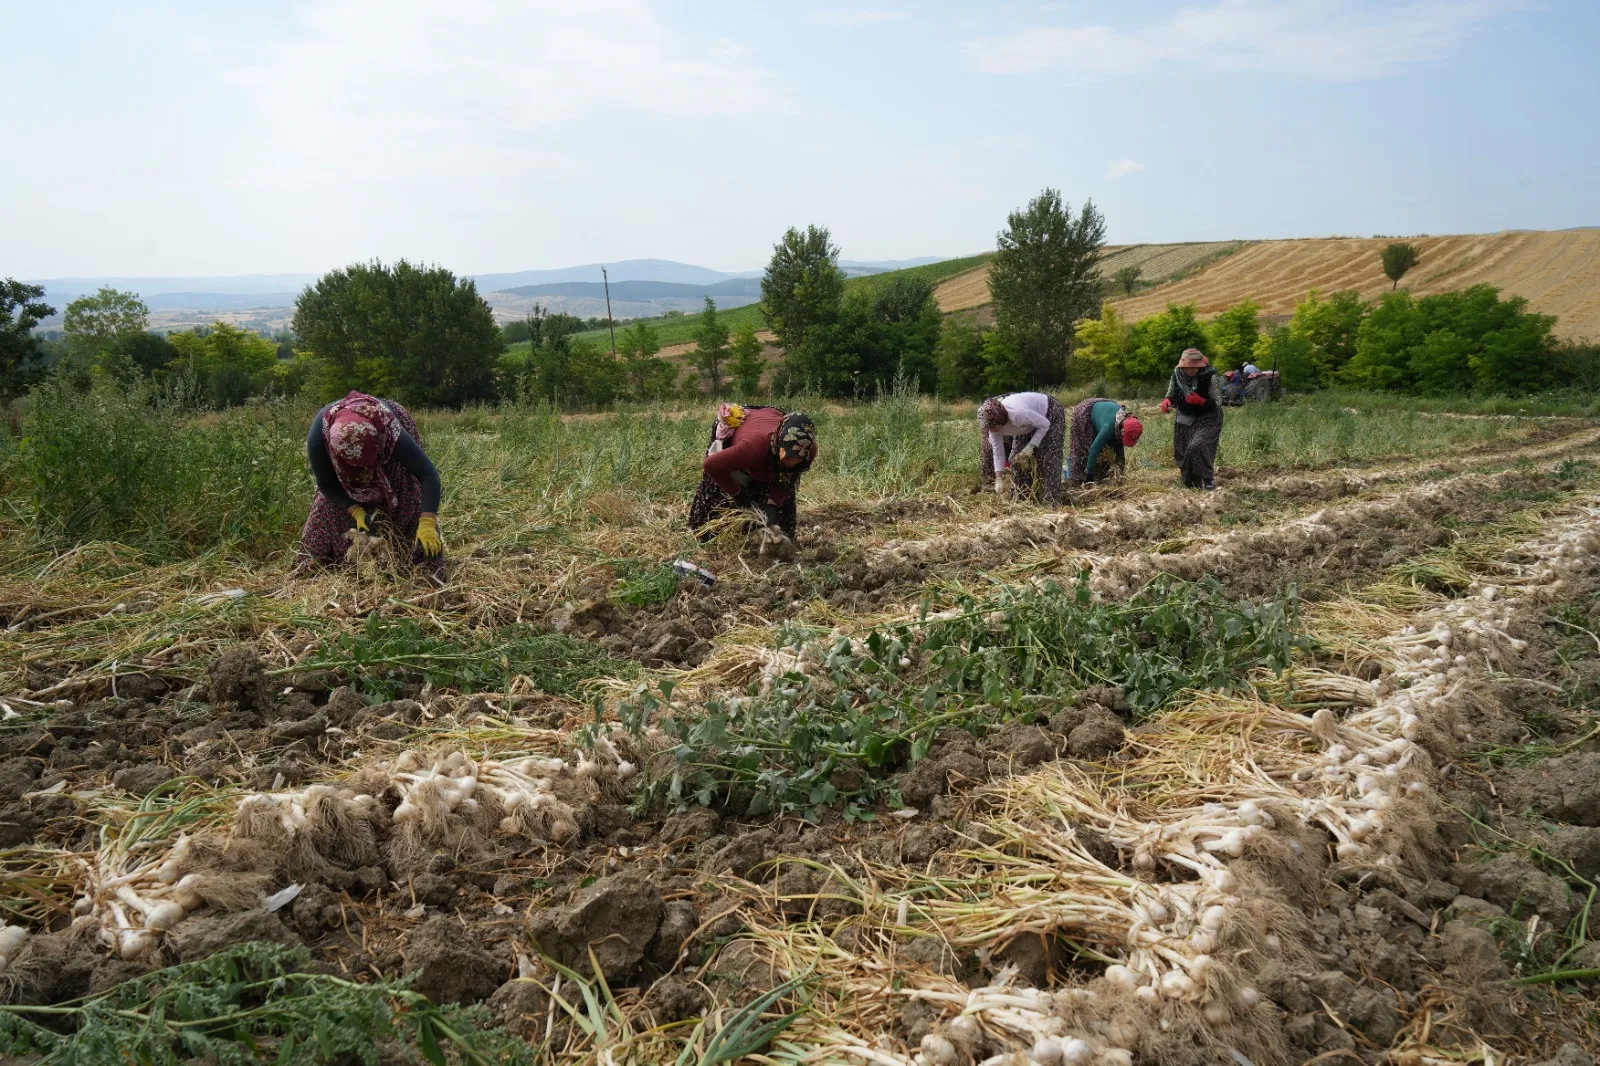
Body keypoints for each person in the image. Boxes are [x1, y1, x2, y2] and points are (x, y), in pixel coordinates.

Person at [296, 390, 444, 571]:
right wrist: (356, 511)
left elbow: (427, 474)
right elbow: (327, 484)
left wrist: (427, 522)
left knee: (408, 497)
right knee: (327, 510)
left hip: (388, 444)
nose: (364, 476)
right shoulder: (318, 441)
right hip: (339, 458)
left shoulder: (390, 431)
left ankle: (417, 562)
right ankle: (323, 566)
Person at [688, 403, 817, 545]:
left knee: (781, 509)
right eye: (788, 458)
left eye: (797, 460)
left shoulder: (806, 448)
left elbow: (789, 479)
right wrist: (737, 492)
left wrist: (773, 504)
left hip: (770, 418)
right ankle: (704, 536)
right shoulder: (753, 448)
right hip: (739, 422)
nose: (792, 463)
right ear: (779, 445)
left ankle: (774, 541)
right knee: (718, 491)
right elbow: (710, 465)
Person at [980, 392, 1067, 504]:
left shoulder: (1018, 414)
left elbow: (1045, 424)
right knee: (1016, 460)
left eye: (992, 426)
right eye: (988, 427)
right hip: (1027, 425)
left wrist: (1031, 446)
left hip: (1048, 412)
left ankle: (1051, 501)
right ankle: (1021, 498)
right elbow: (998, 452)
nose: (990, 430)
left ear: (1000, 420)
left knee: (1049, 459)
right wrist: (999, 478)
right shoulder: (993, 428)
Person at [1160, 348, 1224, 490]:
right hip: (1185, 415)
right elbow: (1171, 390)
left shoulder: (1210, 376)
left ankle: (1207, 479)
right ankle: (1190, 481)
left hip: (1208, 417)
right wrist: (1167, 400)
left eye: (1193, 368)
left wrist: (1201, 401)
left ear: (1200, 366)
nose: (1189, 371)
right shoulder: (1178, 373)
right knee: (1182, 450)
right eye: (1186, 367)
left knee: (1197, 446)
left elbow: (1218, 401)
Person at [1067, 398, 1142, 486]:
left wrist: (1119, 472)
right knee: (1085, 449)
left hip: (1106, 410)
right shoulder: (1108, 427)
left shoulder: (1127, 423)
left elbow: (1119, 450)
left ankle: (1101, 476)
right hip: (1086, 412)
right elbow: (1094, 449)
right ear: (1122, 430)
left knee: (1111, 447)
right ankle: (1079, 480)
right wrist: (1089, 476)